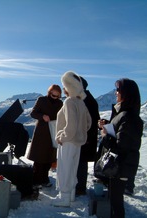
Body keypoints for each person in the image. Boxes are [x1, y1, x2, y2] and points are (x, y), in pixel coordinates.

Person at [98, 78, 143, 218]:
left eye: (118, 90)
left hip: (121, 165)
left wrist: (105, 134)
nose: (116, 93)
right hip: (120, 165)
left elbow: (121, 145)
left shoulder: (127, 116)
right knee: (114, 200)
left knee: (116, 203)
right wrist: (108, 125)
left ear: (126, 93)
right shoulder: (125, 113)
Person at [52, 71, 91, 207]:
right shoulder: (81, 102)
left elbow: (71, 124)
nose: (63, 89)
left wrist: (63, 136)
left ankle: (64, 198)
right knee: (73, 169)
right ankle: (71, 195)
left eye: (65, 86)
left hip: (68, 141)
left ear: (69, 87)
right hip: (78, 142)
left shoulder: (69, 102)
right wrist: (80, 133)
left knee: (64, 168)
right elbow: (88, 122)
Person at [27, 84, 63, 188]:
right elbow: (33, 113)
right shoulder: (41, 100)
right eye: (53, 95)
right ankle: (36, 179)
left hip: (53, 131)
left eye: (57, 96)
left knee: (49, 156)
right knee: (39, 157)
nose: (55, 98)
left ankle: (44, 178)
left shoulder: (60, 103)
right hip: (41, 132)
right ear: (49, 93)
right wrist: (42, 116)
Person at [76, 77, 100, 196]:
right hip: (85, 138)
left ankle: (80, 188)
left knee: (81, 161)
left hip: (85, 138)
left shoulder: (85, 100)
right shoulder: (87, 98)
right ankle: (79, 186)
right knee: (81, 161)